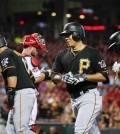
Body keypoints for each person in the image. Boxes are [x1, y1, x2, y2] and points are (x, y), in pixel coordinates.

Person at [51, 22, 109, 134]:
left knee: (80, 130)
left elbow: (104, 76)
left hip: (89, 96)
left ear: (77, 34)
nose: (66, 38)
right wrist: (62, 77)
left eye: (68, 35)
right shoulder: (62, 54)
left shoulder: (93, 53)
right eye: (65, 36)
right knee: (92, 131)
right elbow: (54, 74)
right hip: (74, 99)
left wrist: (84, 77)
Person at [0, 35, 37, 134]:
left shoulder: (5, 53)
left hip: (20, 92)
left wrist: (11, 95)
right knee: (11, 130)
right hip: (24, 92)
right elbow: (32, 78)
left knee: (21, 130)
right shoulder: (14, 53)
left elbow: (11, 74)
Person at [21, 33, 51, 130]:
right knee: (28, 127)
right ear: (30, 47)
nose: (38, 51)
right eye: (36, 48)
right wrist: (49, 74)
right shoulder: (29, 59)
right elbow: (36, 78)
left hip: (20, 95)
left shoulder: (19, 59)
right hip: (28, 95)